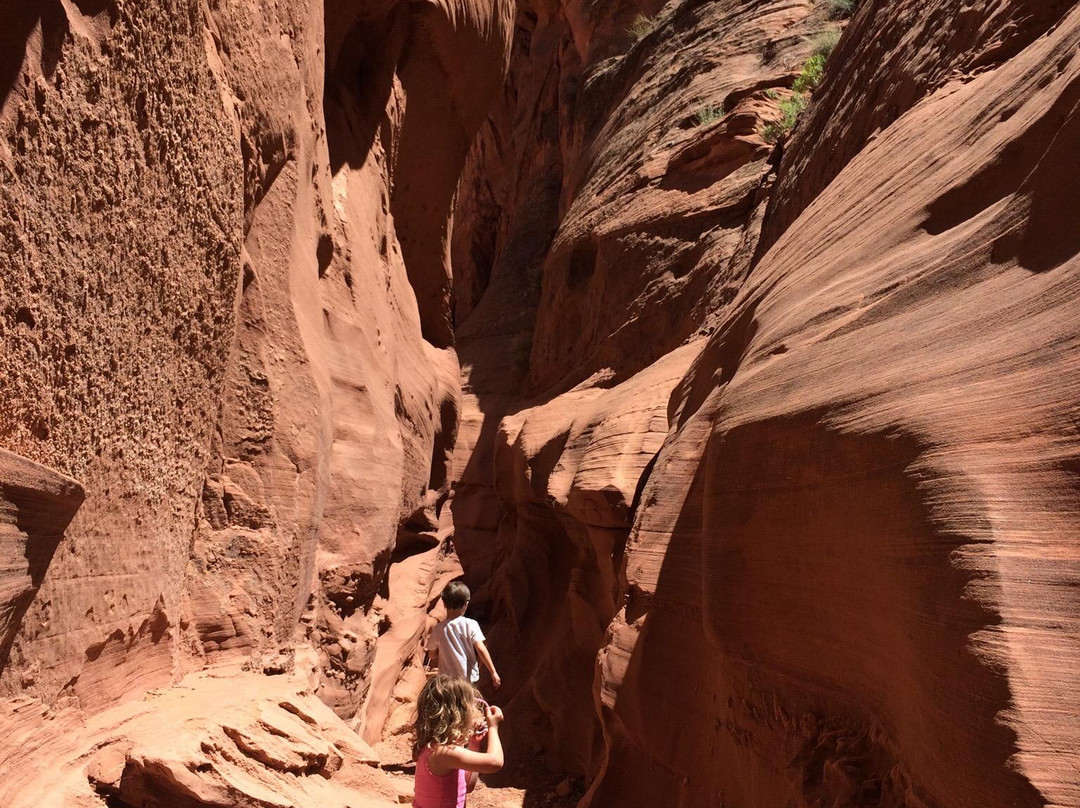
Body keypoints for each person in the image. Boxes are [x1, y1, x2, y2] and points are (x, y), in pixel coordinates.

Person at [412, 674, 505, 808]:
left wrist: (474, 744)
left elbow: (467, 786)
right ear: (459, 714)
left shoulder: (436, 748)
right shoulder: (444, 753)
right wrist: (494, 727)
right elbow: (495, 762)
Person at [428, 581, 501, 688]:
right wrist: (493, 672)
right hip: (468, 679)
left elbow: (431, 654)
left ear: (444, 603)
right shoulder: (471, 624)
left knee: (450, 703)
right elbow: (481, 648)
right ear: (466, 604)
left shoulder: (438, 629)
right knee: (467, 702)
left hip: (447, 681)